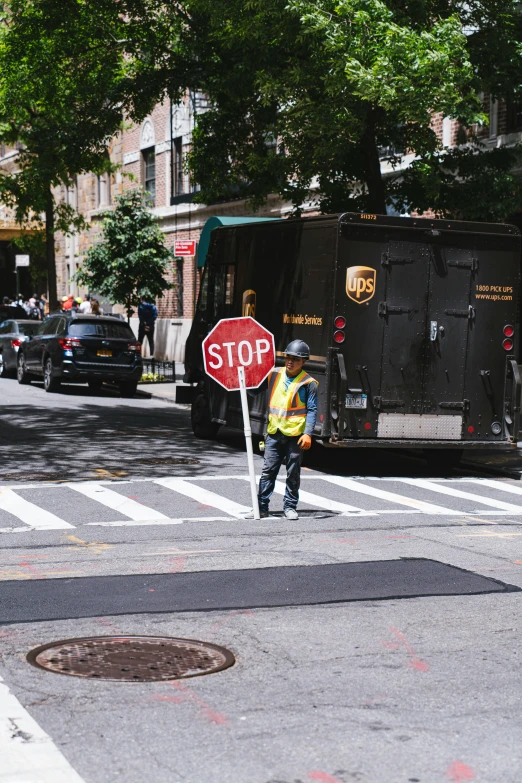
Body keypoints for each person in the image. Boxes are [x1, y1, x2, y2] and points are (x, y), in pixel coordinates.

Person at [246, 340, 318, 520]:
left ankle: (290, 507)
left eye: (295, 359)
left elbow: (312, 409)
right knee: (268, 471)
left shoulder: (309, 383)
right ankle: (261, 507)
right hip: (274, 433)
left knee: (293, 472)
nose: (290, 361)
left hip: (295, 436)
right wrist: (246, 377)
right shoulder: (274, 374)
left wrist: (308, 433)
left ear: (303, 362)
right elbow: (254, 391)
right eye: (288, 357)